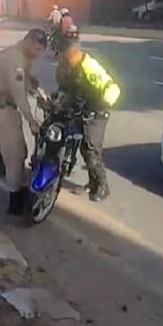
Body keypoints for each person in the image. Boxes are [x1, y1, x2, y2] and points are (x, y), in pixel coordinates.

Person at [0, 29, 47, 215]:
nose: (37, 54)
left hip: (4, 110)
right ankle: (15, 204)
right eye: (36, 49)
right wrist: (32, 120)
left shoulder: (20, 56)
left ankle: (17, 193)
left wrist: (39, 95)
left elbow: (27, 84)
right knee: (15, 156)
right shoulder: (15, 59)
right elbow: (18, 93)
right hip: (2, 110)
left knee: (19, 153)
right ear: (28, 42)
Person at [54, 36, 121, 202]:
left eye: (66, 55)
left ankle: (103, 186)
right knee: (83, 147)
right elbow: (69, 88)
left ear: (75, 52)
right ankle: (93, 182)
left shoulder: (88, 67)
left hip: (98, 111)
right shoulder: (71, 65)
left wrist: (91, 110)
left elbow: (105, 93)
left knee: (91, 150)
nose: (64, 59)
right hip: (84, 109)